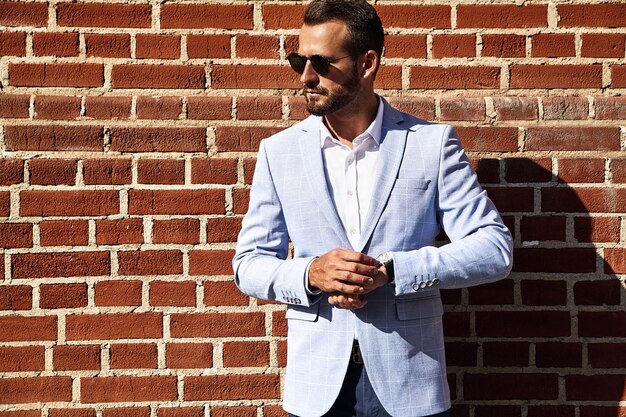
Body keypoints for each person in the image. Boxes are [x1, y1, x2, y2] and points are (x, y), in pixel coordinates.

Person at [232, 0, 513, 416]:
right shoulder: (280, 152)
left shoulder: (430, 145)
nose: (306, 77)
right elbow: (248, 264)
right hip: (317, 384)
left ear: (367, 63)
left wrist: (393, 271)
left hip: (409, 381)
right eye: (298, 61)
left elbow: (494, 249)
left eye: (322, 64)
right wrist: (311, 273)